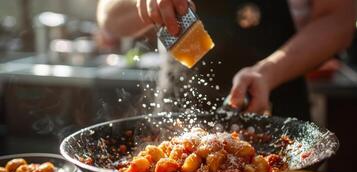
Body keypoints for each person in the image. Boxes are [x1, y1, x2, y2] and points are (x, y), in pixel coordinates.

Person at [97, 0, 355, 121]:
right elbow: (109, 15)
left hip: (276, 107)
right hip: (176, 114)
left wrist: (269, 71)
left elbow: (339, 18)